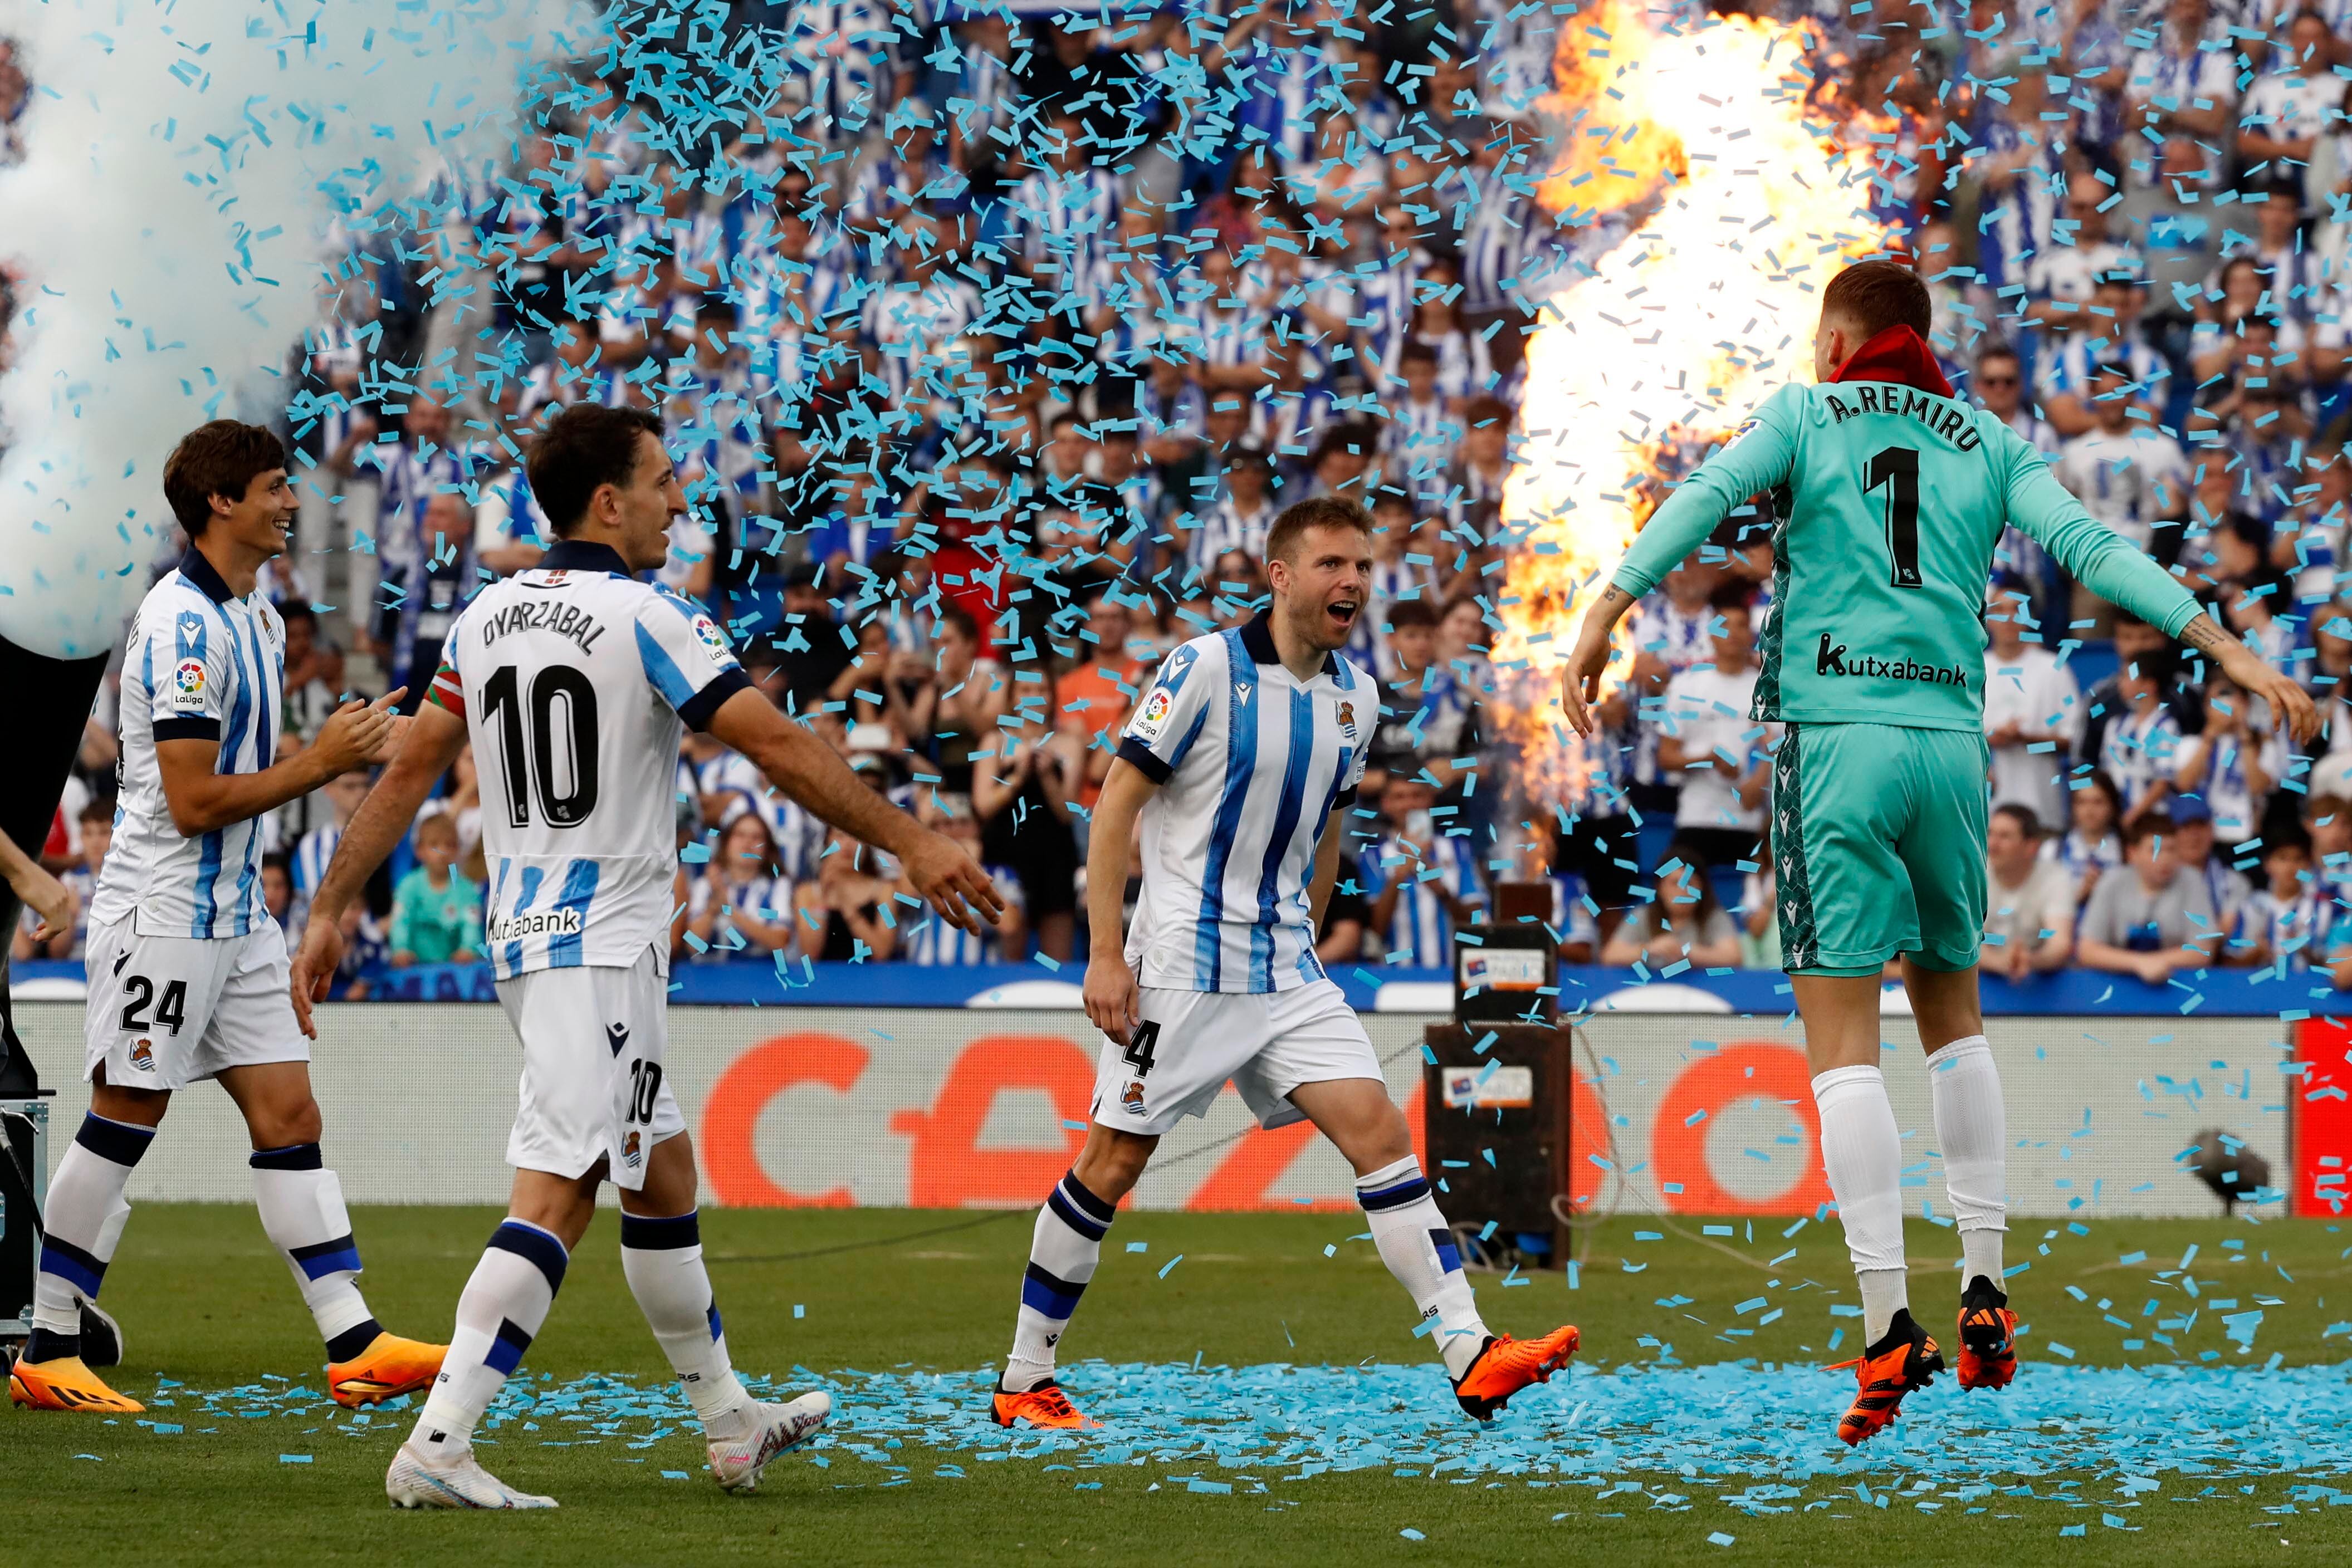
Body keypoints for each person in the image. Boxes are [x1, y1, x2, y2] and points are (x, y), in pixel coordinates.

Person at [1559, 260, 2317, 1445]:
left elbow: (1704, 494)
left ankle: (1883, 1326)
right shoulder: (1985, 435)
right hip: (1951, 752)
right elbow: (2089, 548)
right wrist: (2221, 645)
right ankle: (1984, 1284)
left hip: (1837, 740)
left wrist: (1608, 605)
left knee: (1840, 1040)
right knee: (1953, 1015)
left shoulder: (1805, 414)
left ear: (1834, 340)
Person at [289, 404, 1004, 1508]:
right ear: (609, 502)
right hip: (599, 948)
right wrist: (909, 837)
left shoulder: (484, 615)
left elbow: (409, 769)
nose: (681, 500)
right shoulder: (646, 614)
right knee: (565, 1186)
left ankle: (728, 1422)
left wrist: (334, 901)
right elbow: (769, 740)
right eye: (665, 481)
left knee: (658, 1171)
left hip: (532, 940)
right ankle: (437, 1445)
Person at [991, 496, 1576, 1433]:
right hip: (1183, 964)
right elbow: (1113, 809)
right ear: (1279, 575)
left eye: (1361, 568)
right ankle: (1024, 1378)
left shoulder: (1358, 695)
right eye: (1331, 565)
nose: (1351, 582)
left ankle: (1469, 1351)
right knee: (1111, 1162)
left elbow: (1331, 828)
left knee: (1380, 1134)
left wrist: (1305, 926)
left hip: (1286, 971)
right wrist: (1106, 954)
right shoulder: (1203, 668)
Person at [11, 422, 441, 1418]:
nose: (291, 502)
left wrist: (380, 741)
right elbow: (198, 799)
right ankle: (48, 1343)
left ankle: (354, 1340)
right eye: (275, 487)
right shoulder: (182, 626)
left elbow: (269, 763)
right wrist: (326, 762)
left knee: (291, 1115)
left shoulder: (256, 615)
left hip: (237, 916)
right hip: (162, 909)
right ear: (222, 504)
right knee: (128, 1111)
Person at [2076, 812, 2222, 981]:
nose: (2165, 859)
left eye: (2171, 850)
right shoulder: (2111, 882)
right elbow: (2087, 951)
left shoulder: (2192, 880)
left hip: (2178, 985)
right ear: (2132, 853)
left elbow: (2203, 951)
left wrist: (2153, 963)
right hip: (2116, 985)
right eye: (2156, 851)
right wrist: (2139, 964)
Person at [1598, 850, 1743, 969]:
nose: (1682, 891)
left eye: (1689, 883)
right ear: (1660, 888)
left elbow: (1733, 957)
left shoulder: (1714, 917)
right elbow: (1609, 956)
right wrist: (1648, 950)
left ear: (1702, 888)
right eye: (1674, 884)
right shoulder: (1641, 915)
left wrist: (1688, 952)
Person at [1981, 805, 2076, 978]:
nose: (1992, 844)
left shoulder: (2055, 877)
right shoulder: (1975, 873)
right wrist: (2001, 963)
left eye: (2005, 837)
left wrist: (2029, 960)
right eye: (1990, 833)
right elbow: (1965, 942)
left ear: (2031, 846)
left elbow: (2059, 943)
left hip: (2040, 988)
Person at [387, 814, 483, 967]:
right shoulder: (408, 886)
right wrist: (400, 949)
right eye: (434, 845)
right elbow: (400, 922)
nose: (442, 852)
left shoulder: (468, 890)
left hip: (455, 970)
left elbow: (472, 926)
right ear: (419, 850)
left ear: (458, 850)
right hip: (414, 970)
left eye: (449, 845)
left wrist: (468, 950)